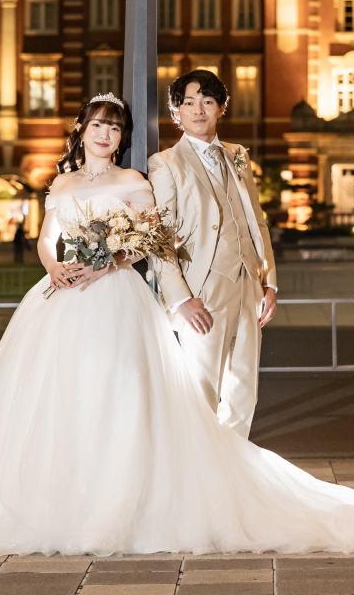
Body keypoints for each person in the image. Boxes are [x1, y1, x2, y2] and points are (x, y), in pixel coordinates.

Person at [0, 93, 354, 557]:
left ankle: (126, 495)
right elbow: (47, 237)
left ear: (122, 138)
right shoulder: (64, 185)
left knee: (123, 394)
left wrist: (110, 262)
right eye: (98, 126)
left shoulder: (136, 179)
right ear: (82, 131)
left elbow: (152, 240)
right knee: (53, 396)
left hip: (114, 295)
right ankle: (54, 496)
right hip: (60, 295)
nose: (105, 135)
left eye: (114, 128)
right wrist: (56, 266)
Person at [148, 70, 277, 438]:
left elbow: (257, 222)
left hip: (249, 288)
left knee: (244, 392)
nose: (198, 110)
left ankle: (231, 476)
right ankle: (196, 479)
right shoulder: (166, 164)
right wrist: (181, 299)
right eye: (188, 102)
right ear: (176, 112)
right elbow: (159, 238)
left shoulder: (237, 156)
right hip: (201, 292)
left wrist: (270, 284)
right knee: (201, 391)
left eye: (207, 101)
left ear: (221, 107)